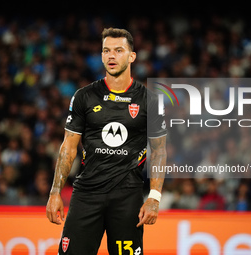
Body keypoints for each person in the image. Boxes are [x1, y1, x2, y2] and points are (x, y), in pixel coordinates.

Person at [46, 28, 167, 255]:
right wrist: (55, 193)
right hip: (87, 193)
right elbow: (68, 147)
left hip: (127, 196)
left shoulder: (149, 100)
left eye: (118, 50)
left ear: (132, 56)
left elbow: (159, 151)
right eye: (106, 51)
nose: (111, 56)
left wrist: (154, 197)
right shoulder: (84, 96)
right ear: (101, 56)